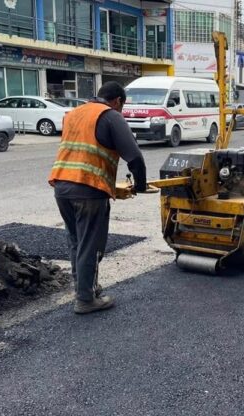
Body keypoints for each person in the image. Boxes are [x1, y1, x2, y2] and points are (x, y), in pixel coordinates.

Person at [49, 81, 153, 315]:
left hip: (62, 185)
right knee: (91, 245)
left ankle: (85, 288)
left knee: (77, 242)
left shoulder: (74, 113)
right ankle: (85, 300)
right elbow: (134, 157)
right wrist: (141, 185)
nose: (121, 110)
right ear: (117, 101)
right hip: (89, 190)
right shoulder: (110, 116)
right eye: (122, 106)